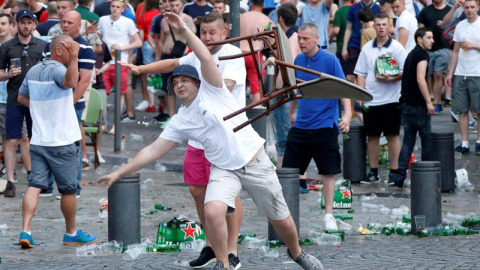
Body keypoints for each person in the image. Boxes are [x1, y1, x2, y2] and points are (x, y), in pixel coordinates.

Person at [100, 11, 324, 270]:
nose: (181, 85)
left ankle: (297, 253)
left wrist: (184, 29)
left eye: (186, 80)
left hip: (254, 160)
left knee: (281, 221)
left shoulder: (214, 88)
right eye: (176, 83)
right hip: (223, 167)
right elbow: (151, 151)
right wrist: (119, 173)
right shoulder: (182, 119)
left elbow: (204, 56)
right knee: (213, 211)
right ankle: (223, 262)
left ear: (198, 82)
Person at [121, 12, 246, 269]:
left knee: (228, 197)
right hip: (199, 138)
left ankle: (231, 250)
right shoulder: (196, 54)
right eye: (204, 33)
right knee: (198, 191)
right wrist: (142, 68)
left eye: (213, 32)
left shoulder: (234, 55)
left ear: (224, 32)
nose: (208, 37)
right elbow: (173, 63)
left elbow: (224, 88)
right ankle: (212, 245)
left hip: (227, 139)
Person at [17, 34, 98, 249]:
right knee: (68, 189)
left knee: (35, 185)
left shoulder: (33, 71)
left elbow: (21, 98)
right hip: (61, 141)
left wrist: (41, 107)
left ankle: (26, 230)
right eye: (71, 47)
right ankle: (71, 233)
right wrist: (74, 58)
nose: (76, 50)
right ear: (60, 49)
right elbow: (72, 82)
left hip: (39, 140)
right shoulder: (59, 69)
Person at [282, 23, 352, 230]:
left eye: (305, 38)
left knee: (327, 172)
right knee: (289, 172)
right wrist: (291, 111)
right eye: (300, 39)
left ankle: (329, 214)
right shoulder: (299, 60)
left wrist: (347, 114)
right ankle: (287, 215)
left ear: (316, 39)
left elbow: (343, 88)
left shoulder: (330, 60)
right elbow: (296, 88)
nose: (301, 42)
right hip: (302, 126)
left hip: (324, 125)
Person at [42, 11, 97, 198]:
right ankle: (46, 185)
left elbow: (84, 80)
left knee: (71, 144)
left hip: (72, 102)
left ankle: (73, 187)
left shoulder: (85, 48)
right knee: (47, 141)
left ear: (79, 24)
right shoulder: (52, 44)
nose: (65, 25)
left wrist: (67, 103)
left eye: (69, 22)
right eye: (63, 21)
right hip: (49, 101)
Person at [354, 13, 407, 184]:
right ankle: (374, 171)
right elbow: (360, 73)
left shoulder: (397, 47)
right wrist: (361, 94)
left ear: (390, 26)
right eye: (378, 24)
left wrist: (391, 78)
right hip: (371, 98)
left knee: (392, 135)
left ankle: (395, 170)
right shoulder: (367, 48)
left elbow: (404, 71)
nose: (381, 27)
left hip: (391, 98)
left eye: (384, 24)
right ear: (374, 27)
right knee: (372, 136)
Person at [0, 9, 47, 198]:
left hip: (37, 100)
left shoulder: (43, 46)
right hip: (14, 98)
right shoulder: (7, 46)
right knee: (12, 140)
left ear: (34, 24)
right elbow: (0, 73)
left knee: (35, 139)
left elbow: (51, 69)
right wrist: (7, 74)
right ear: (16, 24)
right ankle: (11, 180)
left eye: (29, 23)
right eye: (23, 22)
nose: (26, 26)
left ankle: (36, 177)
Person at [389, 28, 434, 187]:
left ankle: (399, 177)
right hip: (418, 106)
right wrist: (429, 101)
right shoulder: (422, 54)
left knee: (408, 141)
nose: (432, 40)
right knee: (426, 140)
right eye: (429, 37)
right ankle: (428, 176)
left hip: (406, 105)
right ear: (419, 39)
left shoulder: (411, 54)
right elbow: (420, 79)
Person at [97, 0, 142, 122]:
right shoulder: (102, 20)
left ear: (123, 9)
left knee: (120, 92)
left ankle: (116, 124)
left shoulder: (128, 22)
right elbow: (99, 38)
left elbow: (138, 42)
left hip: (121, 61)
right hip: (105, 62)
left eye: (118, 7)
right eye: (113, 6)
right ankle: (103, 122)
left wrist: (122, 48)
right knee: (102, 92)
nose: (115, 9)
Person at [445, 0, 480, 154]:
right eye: (466, 7)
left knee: (479, 111)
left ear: (478, 7)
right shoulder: (460, 26)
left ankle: (479, 142)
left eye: (472, 7)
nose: (469, 10)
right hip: (461, 72)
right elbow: (455, 52)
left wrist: (474, 45)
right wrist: (450, 73)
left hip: (477, 73)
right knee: (462, 110)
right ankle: (464, 143)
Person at [271, 3, 301, 168]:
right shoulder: (295, 36)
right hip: (291, 94)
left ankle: (284, 176)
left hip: (287, 94)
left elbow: (287, 69)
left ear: (280, 18)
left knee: (284, 139)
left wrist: (277, 89)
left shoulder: (290, 39)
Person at [156, 0, 195, 122]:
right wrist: (158, 57)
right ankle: (171, 117)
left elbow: (193, 36)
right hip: (166, 55)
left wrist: (180, 26)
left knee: (184, 86)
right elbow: (161, 40)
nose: (174, 8)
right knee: (168, 88)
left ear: (182, 6)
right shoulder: (164, 20)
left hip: (181, 56)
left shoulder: (187, 19)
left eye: (177, 5)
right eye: (172, 5)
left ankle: (186, 115)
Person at [417, 0, 452, 113]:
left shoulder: (450, 10)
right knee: (429, 75)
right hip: (429, 49)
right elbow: (420, 30)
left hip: (444, 47)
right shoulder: (425, 11)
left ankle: (437, 102)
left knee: (438, 74)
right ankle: (430, 99)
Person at [240, 0, 272, 104]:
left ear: (251, 4)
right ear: (263, 5)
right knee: (256, 89)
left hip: (238, 53)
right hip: (254, 54)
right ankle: (256, 117)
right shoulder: (266, 20)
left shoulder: (241, 16)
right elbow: (273, 42)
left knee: (238, 86)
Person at [342, 0, 380, 83]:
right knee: (350, 76)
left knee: (367, 75)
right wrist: (344, 47)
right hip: (354, 45)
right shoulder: (353, 8)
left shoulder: (377, 8)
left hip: (370, 47)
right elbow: (348, 28)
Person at [0, 14, 13, 174]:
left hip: (11, 97)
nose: (0, 26)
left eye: (3, 23)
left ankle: (7, 168)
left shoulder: (17, 45)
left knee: (9, 137)